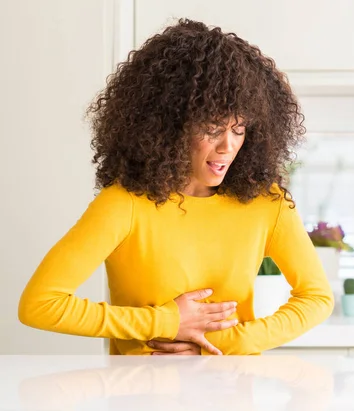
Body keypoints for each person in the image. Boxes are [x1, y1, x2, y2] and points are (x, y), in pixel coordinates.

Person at [18, 18, 334, 355]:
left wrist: (220, 342)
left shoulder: (265, 204)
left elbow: (317, 299)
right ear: (170, 127)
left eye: (239, 129)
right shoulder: (125, 204)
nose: (228, 145)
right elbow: (40, 304)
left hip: (232, 393)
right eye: (213, 128)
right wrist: (166, 322)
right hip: (140, 394)